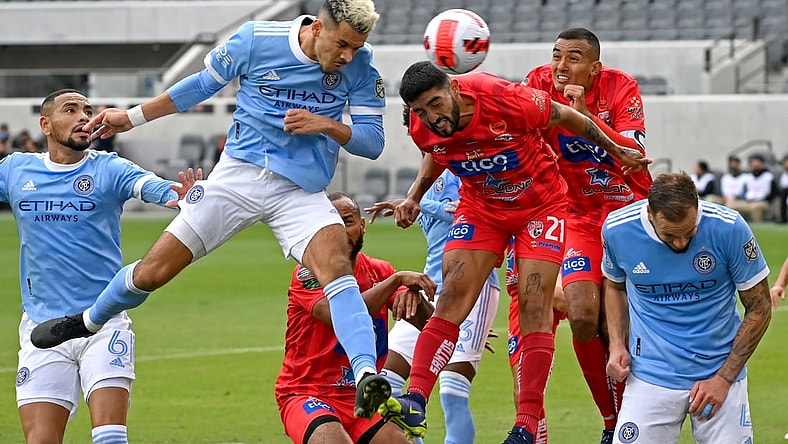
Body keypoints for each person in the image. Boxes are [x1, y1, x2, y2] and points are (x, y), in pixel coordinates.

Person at [31, 0, 394, 420]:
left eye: (356, 47)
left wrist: (327, 124)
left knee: (336, 266)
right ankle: (89, 321)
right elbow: (202, 85)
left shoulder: (361, 66)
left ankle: (366, 373)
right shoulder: (257, 39)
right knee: (153, 272)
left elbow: (372, 142)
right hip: (237, 177)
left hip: (301, 189)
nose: (347, 56)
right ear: (317, 27)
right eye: (342, 45)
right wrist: (130, 118)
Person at [377, 60, 650, 444]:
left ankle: (526, 424)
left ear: (454, 89)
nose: (432, 116)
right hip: (482, 208)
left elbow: (564, 115)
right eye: (422, 111)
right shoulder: (423, 127)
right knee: (451, 295)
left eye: (436, 104)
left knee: (534, 306)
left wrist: (615, 150)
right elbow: (438, 150)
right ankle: (415, 397)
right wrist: (414, 197)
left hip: (540, 207)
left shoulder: (503, 98)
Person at [1, 89, 197, 444]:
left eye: (87, 110)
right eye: (71, 109)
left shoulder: (108, 168)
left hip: (103, 323)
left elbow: (152, 187)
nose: (83, 116)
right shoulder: (16, 170)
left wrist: (179, 195)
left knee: (109, 438)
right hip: (42, 327)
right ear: (45, 124)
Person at [522, 27, 652, 444]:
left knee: (620, 324)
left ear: (595, 67)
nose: (562, 66)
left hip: (627, 212)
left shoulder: (621, 87)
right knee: (580, 314)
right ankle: (611, 423)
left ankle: (637, 413)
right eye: (557, 55)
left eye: (573, 58)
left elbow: (632, 157)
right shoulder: (538, 82)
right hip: (576, 215)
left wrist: (586, 119)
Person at [603, 172, 772, 443]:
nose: (681, 243)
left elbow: (760, 307)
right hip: (651, 373)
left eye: (690, 232)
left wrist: (724, 378)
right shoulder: (618, 230)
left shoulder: (728, 228)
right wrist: (617, 346)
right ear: (649, 214)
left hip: (719, 373)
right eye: (670, 235)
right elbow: (614, 286)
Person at [276, 192, 436, 444]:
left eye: (348, 222)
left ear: (362, 226)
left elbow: (426, 323)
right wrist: (395, 282)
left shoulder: (379, 271)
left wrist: (443, 321)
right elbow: (339, 313)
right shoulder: (308, 274)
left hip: (361, 398)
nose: (341, 232)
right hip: (307, 393)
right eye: (332, 225)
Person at [366, 167, 501, 444]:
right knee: (385, 388)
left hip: (474, 286)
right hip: (429, 287)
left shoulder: (463, 168)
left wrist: (414, 203)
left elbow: (467, 212)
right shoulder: (424, 181)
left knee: (451, 390)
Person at [726, 154, 775, 222]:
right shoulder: (748, 177)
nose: (755, 164)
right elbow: (744, 192)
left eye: (757, 162)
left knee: (755, 207)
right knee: (731, 205)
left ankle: (758, 227)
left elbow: (772, 193)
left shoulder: (768, 177)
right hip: (748, 201)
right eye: (753, 162)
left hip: (763, 201)